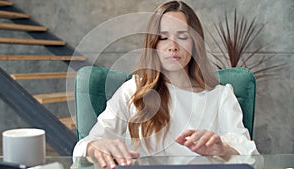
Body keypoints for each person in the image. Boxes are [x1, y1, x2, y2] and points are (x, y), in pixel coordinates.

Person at [73, 1, 258, 169]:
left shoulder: (220, 95)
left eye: (182, 36)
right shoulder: (133, 90)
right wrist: (95, 146)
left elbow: (250, 154)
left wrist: (223, 149)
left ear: (195, 43)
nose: (173, 46)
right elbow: (86, 144)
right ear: (153, 45)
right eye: (163, 37)